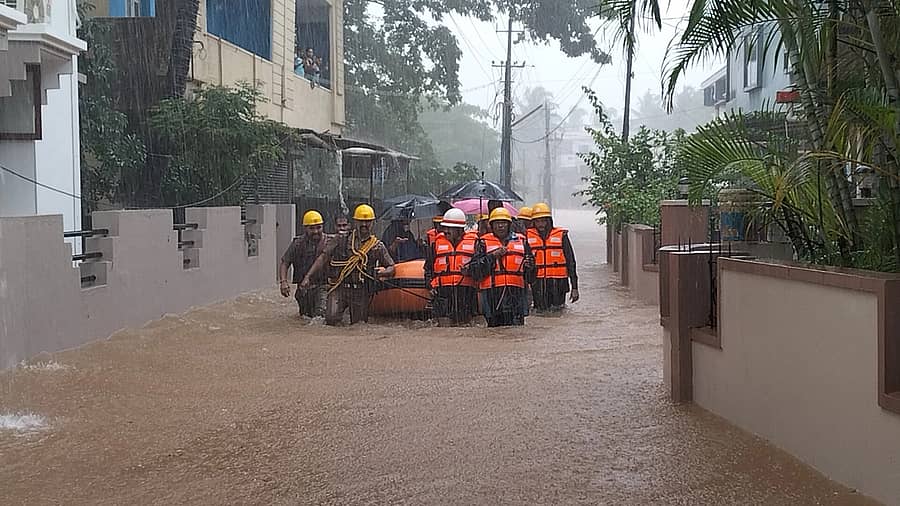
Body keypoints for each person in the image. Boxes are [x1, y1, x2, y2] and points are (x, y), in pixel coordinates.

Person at [301, 204, 395, 325]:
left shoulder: (377, 246)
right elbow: (323, 257)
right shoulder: (340, 238)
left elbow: (391, 267)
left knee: (359, 325)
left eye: (367, 222)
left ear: (373, 223)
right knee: (331, 319)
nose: (364, 225)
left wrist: (382, 272)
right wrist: (308, 276)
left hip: (361, 290)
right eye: (361, 221)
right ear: (355, 222)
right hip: (339, 287)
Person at [468, 207, 535, 327]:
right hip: (492, 296)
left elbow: (532, 277)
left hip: (516, 295)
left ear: (509, 225)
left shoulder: (522, 241)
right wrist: (493, 256)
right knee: (494, 330)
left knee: (516, 330)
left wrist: (529, 267)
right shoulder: (482, 243)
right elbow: (474, 270)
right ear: (491, 225)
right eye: (497, 223)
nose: (500, 226)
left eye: (503, 223)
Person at [424, 208, 479, 326]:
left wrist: (470, 270)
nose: (445, 231)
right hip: (443, 293)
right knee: (444, 326)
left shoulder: (475, 244)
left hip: (466, 293)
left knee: (466, 325)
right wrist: (429, 286)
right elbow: (428, 269)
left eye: (449, 228)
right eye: (444, 228)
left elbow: (480, 268)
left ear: (459, 229)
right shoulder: (436, 245)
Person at [527, 202, 579, 311]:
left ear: (548, 221)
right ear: (533, 222)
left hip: (559, 282)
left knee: (558, 310)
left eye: (543, 221)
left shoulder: (561, 236)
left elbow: (571, 262)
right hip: (538, 282)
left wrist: (575, 287)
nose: (541, 224)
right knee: (539, 310)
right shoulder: (527, 236)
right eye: (537, 221)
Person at [279, 210, 328, 317]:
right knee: (305, 317)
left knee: (320, 316)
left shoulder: (329, 242)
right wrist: (283, 282)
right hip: (303, 289)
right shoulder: (297, 244)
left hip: (323, 286)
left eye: (318, 227)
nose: (316, 231)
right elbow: (285, 262)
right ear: (305, 228)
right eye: (312, 228)